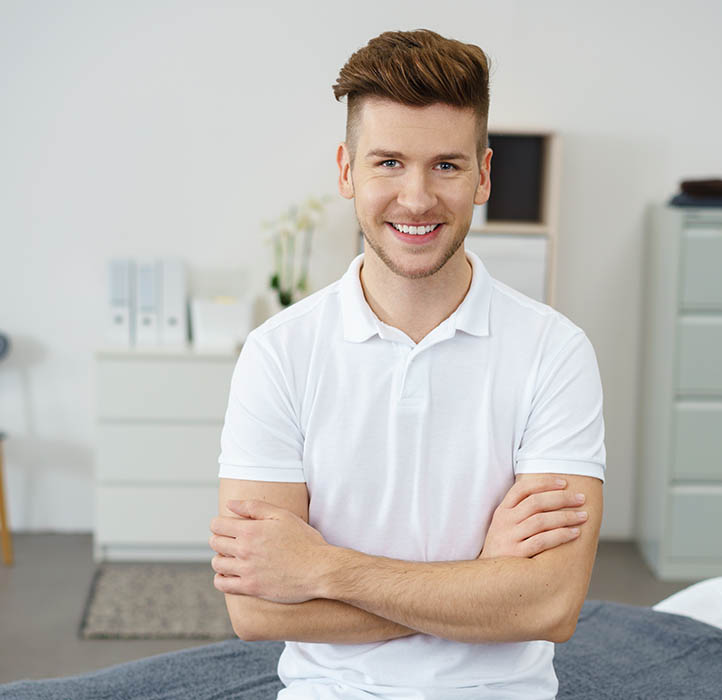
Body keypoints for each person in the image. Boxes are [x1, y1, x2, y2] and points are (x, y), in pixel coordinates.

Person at [210, 28, 605, 700]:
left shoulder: (555, 352)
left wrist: (322, 569)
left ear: (482, 175)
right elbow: (258, 610)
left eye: (445, 166)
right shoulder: (278, 353)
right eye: (388, 162)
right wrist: (483, 577)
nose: (417, 198)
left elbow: (548, 606)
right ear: (346, 171)